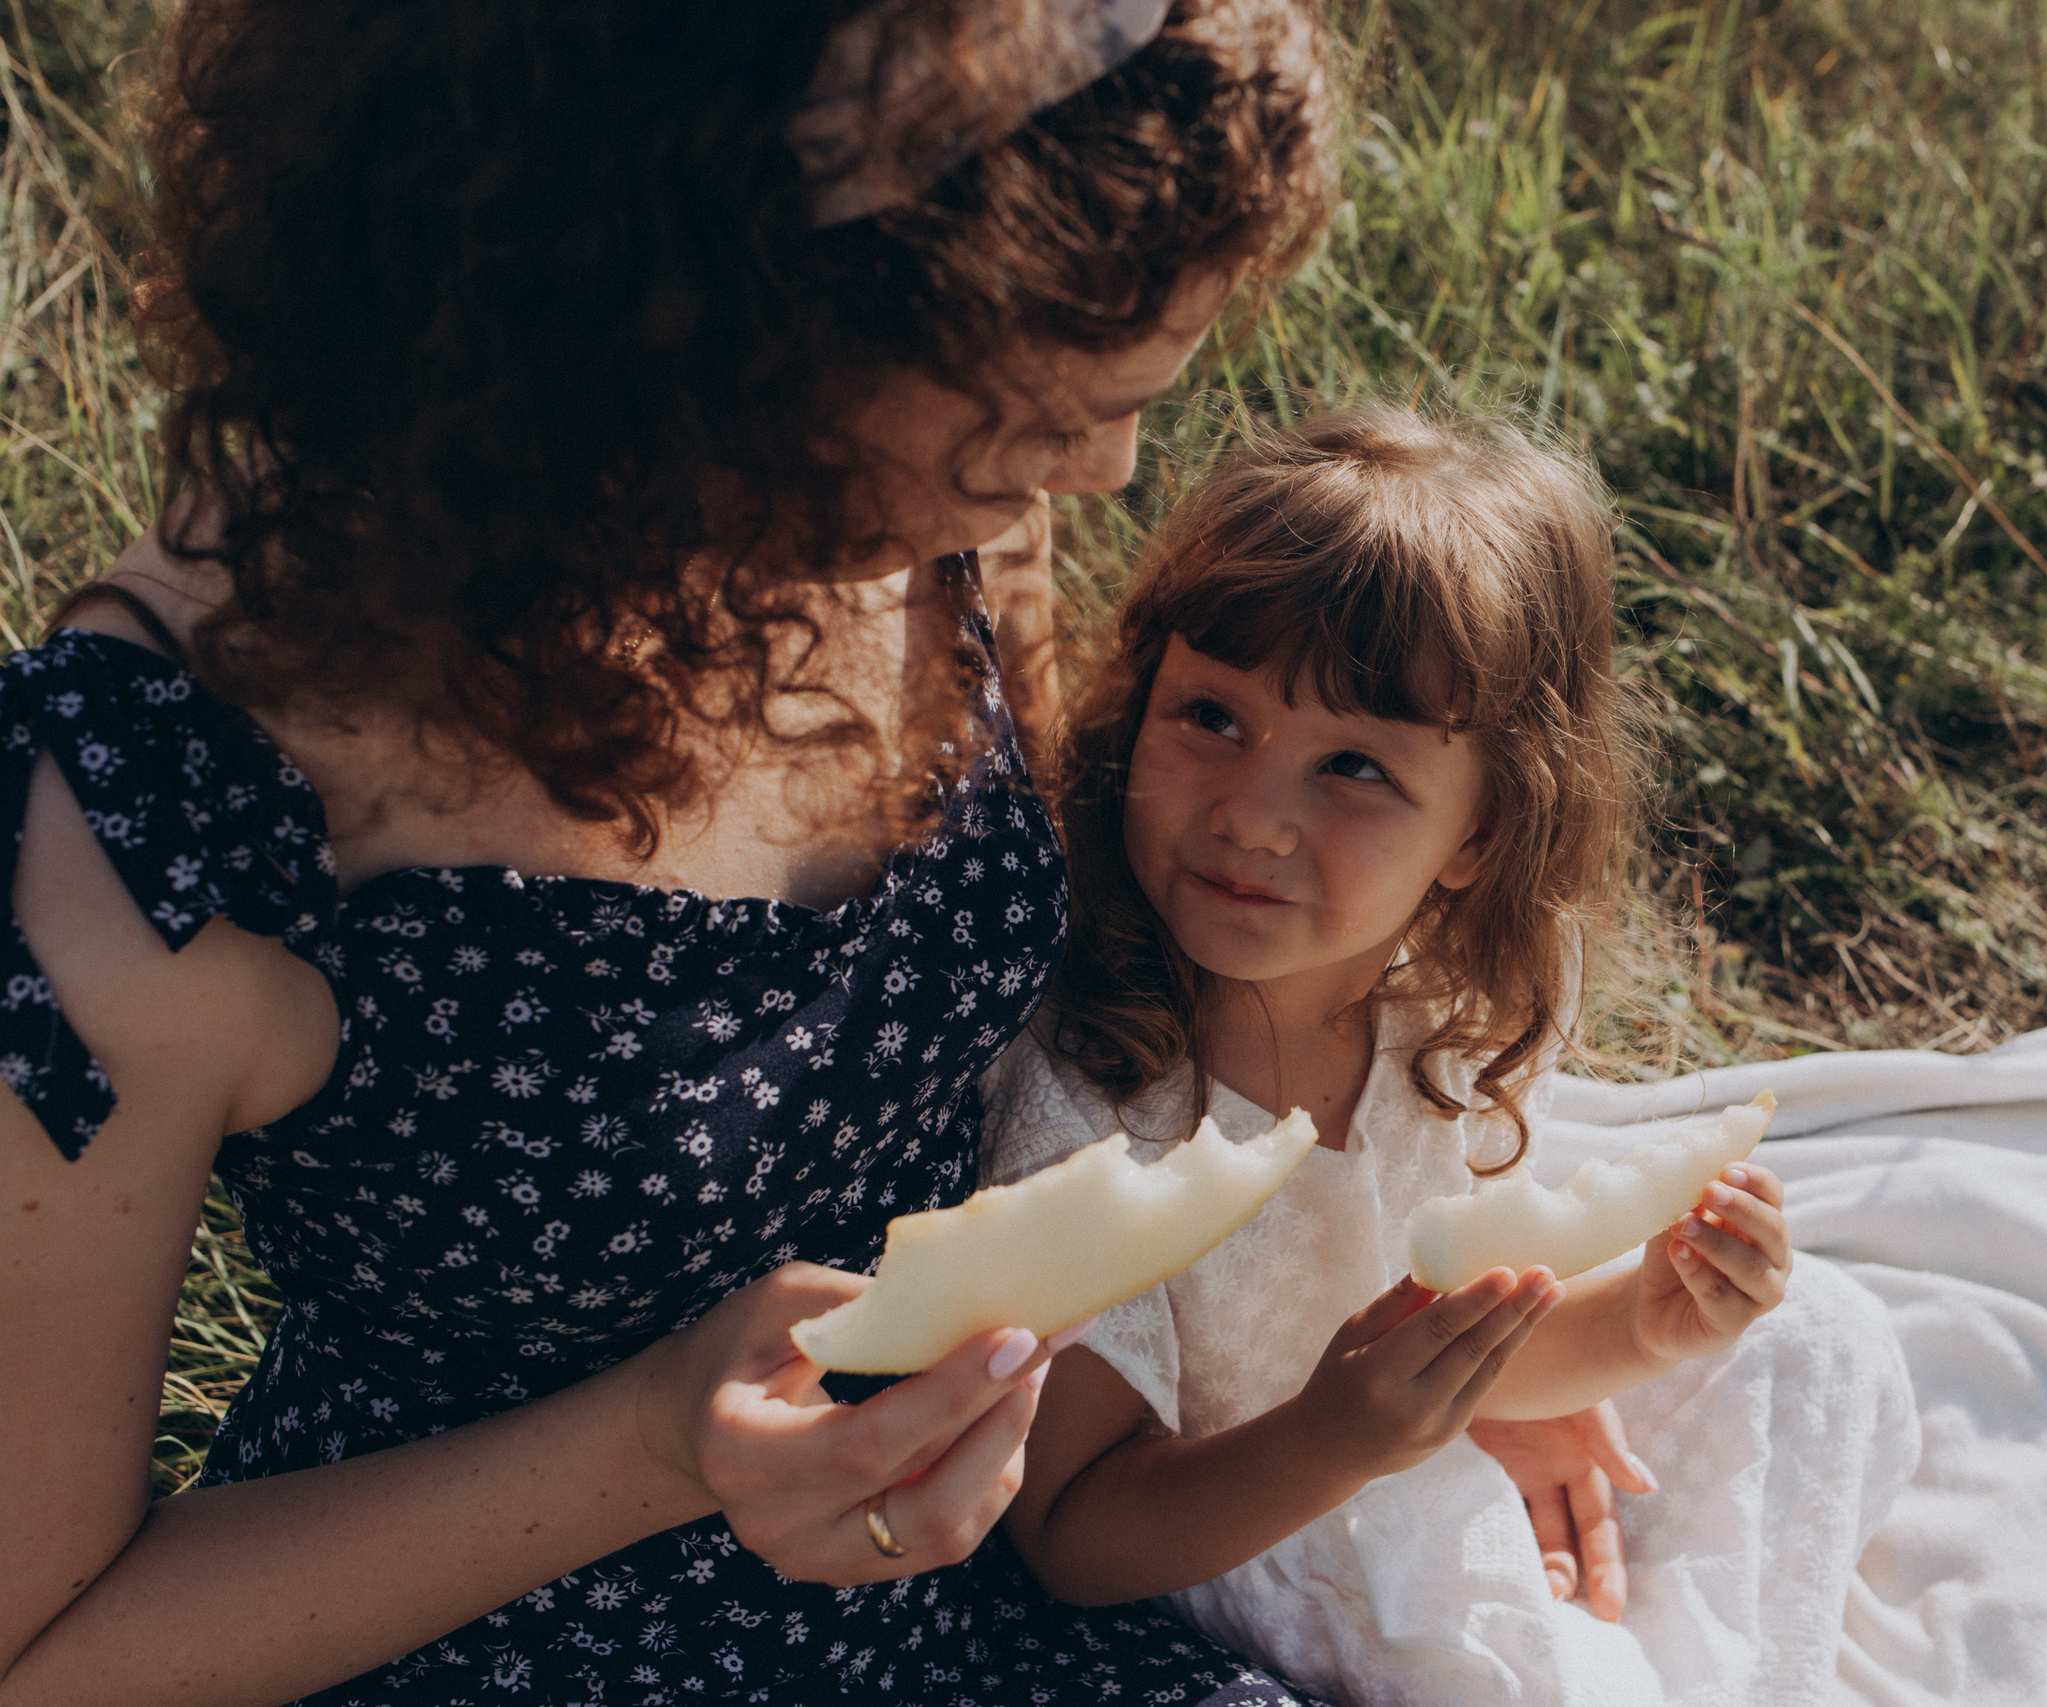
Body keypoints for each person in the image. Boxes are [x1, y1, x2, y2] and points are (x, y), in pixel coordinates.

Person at [0, 2, 1347, 1703]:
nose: (1087, 477)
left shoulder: (923, 482)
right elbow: (41, 1657)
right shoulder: (154, 814)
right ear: (688, 334)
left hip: (964, 1621)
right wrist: (653, 1445)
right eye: (1037, 420)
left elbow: (1091, 999)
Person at [981, 405, 1921, 1705]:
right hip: (1253, 1536)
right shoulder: (1097, 1118)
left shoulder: (1431, 1025)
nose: (1253, 815)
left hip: (1391, 1456)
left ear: (1478, 832)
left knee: (1817, 1334)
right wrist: (1337, 1438)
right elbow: (1073, 1539)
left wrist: (1645, 1325)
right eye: (1212, 715)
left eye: (1354, 764)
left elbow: (1465, 1346)